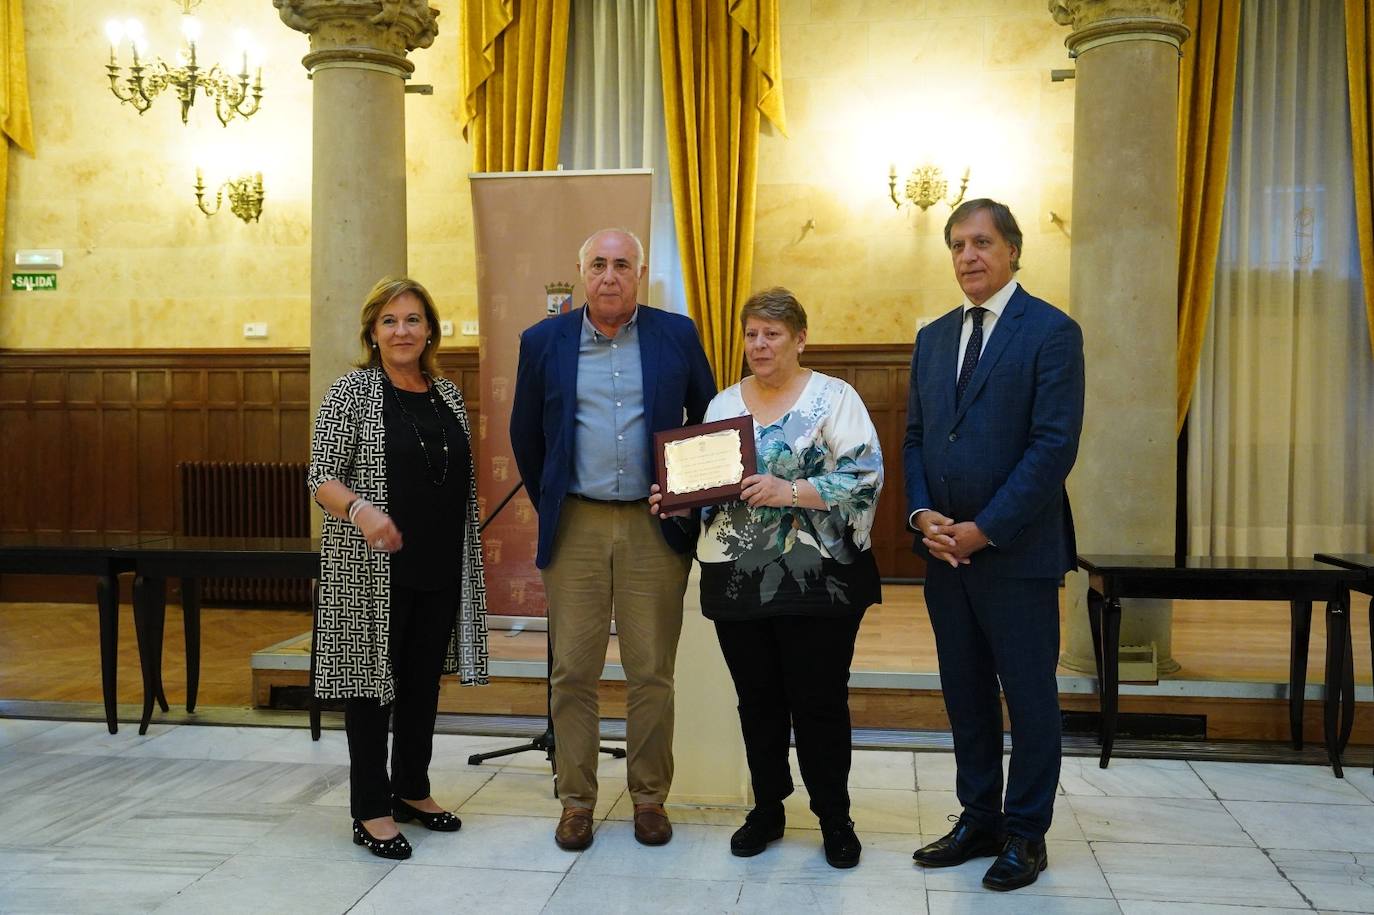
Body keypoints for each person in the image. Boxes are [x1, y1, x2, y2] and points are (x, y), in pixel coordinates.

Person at [653, 287, 883, 869]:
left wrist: (794, 491)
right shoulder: (721, 404)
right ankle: (768, 810)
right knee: (757, 701)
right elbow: (708, 492)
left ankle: (835, 816)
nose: (759, 344)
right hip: (738, 577)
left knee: (819, 701)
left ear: (799, 339)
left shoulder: (836, 397)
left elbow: (864, 478)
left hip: (819, 577)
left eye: (772, 334)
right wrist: (680, 501)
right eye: (751, 333)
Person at [509, 227, 716, 850]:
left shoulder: (675, 334)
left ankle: (649, 797)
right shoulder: (542, 342)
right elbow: (527, 436)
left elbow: (707, 419)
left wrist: (681, 498)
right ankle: (576, 801)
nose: (609, 276)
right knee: (573, 669)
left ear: (641, 272)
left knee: (652, 670)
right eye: (597, 264)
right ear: (580, 272)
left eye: (621, 265)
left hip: (654, 526)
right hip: (577, 523)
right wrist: (554, 496)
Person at [904, 199, 1084, 891]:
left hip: (1017, 551)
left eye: (981, 242)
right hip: (945, 554)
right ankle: (978, 815)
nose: (967, 256)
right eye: (956, 244)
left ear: (1011, 249)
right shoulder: (934, 336)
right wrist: (926, 517)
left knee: (1029, 695)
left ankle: (1025, 830)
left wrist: (986, 527)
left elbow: (1052, 446)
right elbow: (918, 438)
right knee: (966, 692)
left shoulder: (1051, 331)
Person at [307, 276, 490, 861]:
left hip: (439, 559)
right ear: (372, 332)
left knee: (420, 685)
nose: (402, 331)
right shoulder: (351, 392)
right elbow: (322, 478)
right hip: (370, 568)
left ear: (430, 329)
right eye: (389, 321)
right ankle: (371, 807)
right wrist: (361, 510)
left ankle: (412, 788)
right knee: (370, 687)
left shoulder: (449, 394)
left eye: (412, 320)